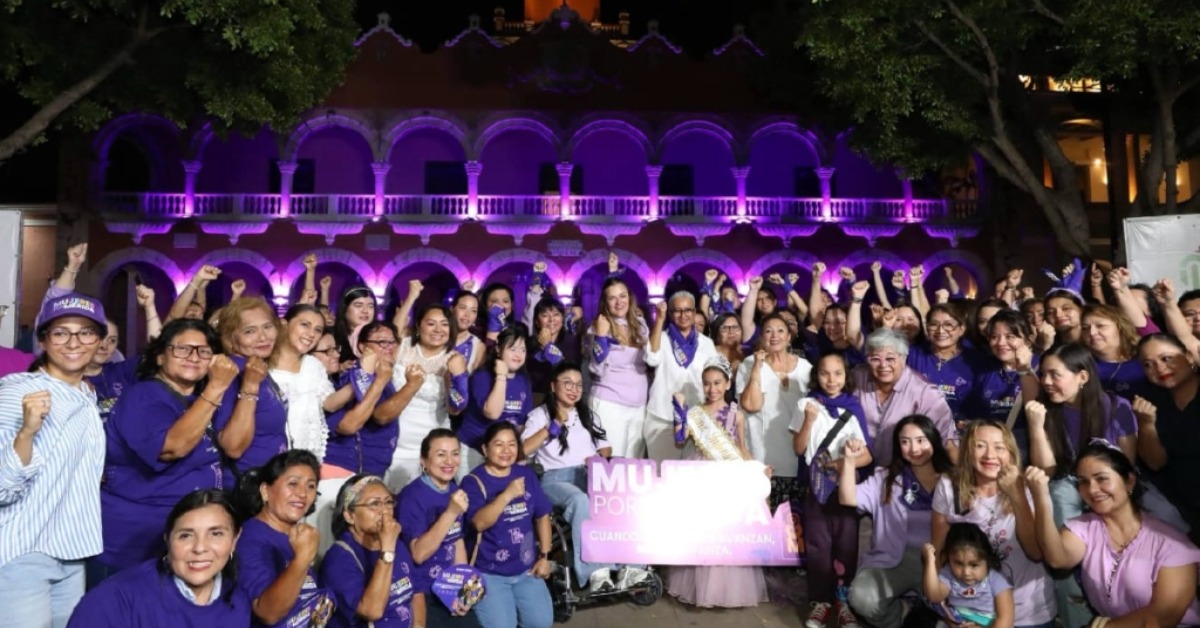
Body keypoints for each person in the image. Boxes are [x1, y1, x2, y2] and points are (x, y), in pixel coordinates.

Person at [0, 293, 108, 627]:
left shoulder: (88, 395)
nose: (74, 342)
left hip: (71, 553)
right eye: (61, 332)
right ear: (44, 340)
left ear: (100, 341)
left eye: (86, 332)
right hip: (22, 551)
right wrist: (27, 432)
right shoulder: (17, 391)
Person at [98, 319, 238, 574]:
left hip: (185, 532)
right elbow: (171, 448)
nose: (194, 357)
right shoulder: (144, 396)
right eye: (182, 349)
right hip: (140, 538)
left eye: (203, 351)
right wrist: (217, 386)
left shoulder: (194, 399)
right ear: (160, 357)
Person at [1029, 444, 1200, 627]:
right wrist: (1041, 499)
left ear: (1129, 481)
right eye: (1083, 482)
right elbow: (1058, 558)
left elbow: (1162, 616)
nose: (1092, 489)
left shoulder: (1173, 545)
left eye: (1101, 478)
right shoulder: (1085, 527)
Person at [522, 361, 651, 593]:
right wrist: (550, 429)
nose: (573, 389)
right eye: (567, 383)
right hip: (554, 479)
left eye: (578, 385)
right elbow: (523, 450)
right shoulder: (539, 415)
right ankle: (596, 572)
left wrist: (598, 458)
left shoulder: (587, 415)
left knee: (620, 497)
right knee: (581, 501)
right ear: (553, 386)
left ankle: (631, 567)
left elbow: (606, 448)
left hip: (588, 474)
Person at [931, 421, 1056, 628]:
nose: (990, 455)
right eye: (980, 446)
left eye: (999, 447)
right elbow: (937, 552)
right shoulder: (949, 486)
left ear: (1011, 453)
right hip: (969, 611)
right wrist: (948, 613)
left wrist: (1016, 495)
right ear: (967, 452)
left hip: (1027, 612)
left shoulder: (1031, 487)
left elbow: (1035, 551)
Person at [67, 490, 251, 627]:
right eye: (186, 535)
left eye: (216, 534)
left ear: (235, 540)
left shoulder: (237, 602)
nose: (200, 548)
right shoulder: (113, 600)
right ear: (168, 540)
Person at [670, 357, 768, 608]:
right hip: (701, 474)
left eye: (717, 383)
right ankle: (700, 588)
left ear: (727, 384)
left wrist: (758, 470)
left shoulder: (737, 414)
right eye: (706, 384)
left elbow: (742, 449)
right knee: (703, 530)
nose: (711, 389)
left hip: (728, 477)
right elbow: (680, 440)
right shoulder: (694, 414)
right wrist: (679, 411)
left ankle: (725, 590)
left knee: (726, 531)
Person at [841, 415, 955, 628]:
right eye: (905, 442)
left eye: (921, 440)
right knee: (862, 597)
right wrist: (849, 461)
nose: (914, 448)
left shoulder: (953, 479)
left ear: (933, 441)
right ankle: (900, 620)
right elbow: (848, 498)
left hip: (943, 562)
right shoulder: (887, 478)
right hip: (895, 560)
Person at [792, 352, 871, 628]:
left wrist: (845, 462)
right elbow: (799, 449)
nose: (831, 379)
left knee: (847, 545)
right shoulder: (806, 404)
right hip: (815, 487)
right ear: (817, 375)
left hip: (845, 487)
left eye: (838, 373)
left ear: (846, 376)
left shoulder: (854, 407)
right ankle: (820, 601)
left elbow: (867, 456)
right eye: (825, 373)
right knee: (817, 545)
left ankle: (843, 600)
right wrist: (809, 421)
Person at [461, 422, 553, 628]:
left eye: (512, 445)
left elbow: (542, 514)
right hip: (487, 574)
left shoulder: (526, 474)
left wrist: (545, 556)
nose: (506, 451)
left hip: (525, 569)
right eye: (499, 445)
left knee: (542, 622)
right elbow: (478, 523)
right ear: (485, 449)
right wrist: (507, 495)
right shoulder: (473, 481)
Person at [236, 450, 334, 627]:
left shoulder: (298, 535)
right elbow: (268, 613)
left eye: (311, 486)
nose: (303, 493)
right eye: (293, 483)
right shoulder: (251, 538)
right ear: (265, 491)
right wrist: (302, 559)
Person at [395, 429, 483, 628]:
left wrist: (462, 586)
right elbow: (418, 554)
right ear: (424, 461)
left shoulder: (454, 489)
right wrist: (450, 512)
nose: (449, 461)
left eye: (455, 453)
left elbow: (457, 540)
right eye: (441, 454)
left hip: (448, 588)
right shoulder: (412, 497)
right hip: (422, 590)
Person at [321, 475, 424, 628]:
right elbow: (372, 611)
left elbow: (416, 592)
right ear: (350, 516)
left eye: (388, 502)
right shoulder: (339, 559)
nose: (384, 511)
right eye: (374, 504)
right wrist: (387, 548)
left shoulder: (397, 543)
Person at [739, 312, 814, 521]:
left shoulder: (807, 369)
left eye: (780, 331)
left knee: (792, 526)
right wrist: (757, 367)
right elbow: (751, 405)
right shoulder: (748, 364)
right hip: (761, 456)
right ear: (761, 337)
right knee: (761, 522)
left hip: (795, 457)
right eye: (768, 331)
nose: (775, 336)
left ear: (789, 336)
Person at [388, 305, 468, 492]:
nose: (438, 330)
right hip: (395, 438)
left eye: (444, 325)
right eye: (431, 324)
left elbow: (456, 408)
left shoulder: (454, 359)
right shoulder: (402, 348)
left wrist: (458, 377)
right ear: (418, 326)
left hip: (433, 439)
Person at [852, 328, 958, 467]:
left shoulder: (925, 393)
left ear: (903, 358)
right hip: (857, 467)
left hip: (903, 474)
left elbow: (946, 442)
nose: (883, 365)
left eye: (890, 359)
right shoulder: (857, 377)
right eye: (875, 359)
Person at [1132, 333, 1200, 536]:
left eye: (1166, 358)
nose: (1160, 368)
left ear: (1188, 356)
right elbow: (1155, 462)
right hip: (1186, 504)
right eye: (1148, 364)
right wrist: (1146, 424)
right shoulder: (1148, 401)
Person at [213, 297, 286, 473]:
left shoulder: (256, 366)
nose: (263, 337)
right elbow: (233, 446)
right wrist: (250, 386)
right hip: (246, 486)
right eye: (249, 331)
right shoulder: (233, 372)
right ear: (230, 339)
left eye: (267, 327)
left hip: (270, 479)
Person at [644, 292, 718, 463]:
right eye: (677, 311)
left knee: (691, 477)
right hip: (663, 418)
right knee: (662, 476)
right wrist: (659, 320)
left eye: (687, 310)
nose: (683, 315)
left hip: (696, 419)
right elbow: (651, 359)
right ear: (670, 313)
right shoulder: (661, 337)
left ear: (694, 312)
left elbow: (715, 376)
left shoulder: (706, 343)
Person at [585, 276, 651, 458]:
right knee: (612, 464)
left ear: (629, 298)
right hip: (609, 403)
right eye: (612, 298)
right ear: (605, 302)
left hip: (639, 405)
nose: (618, 302)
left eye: (622, 296)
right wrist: (600, 336)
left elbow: (651, 359)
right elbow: (596, 369)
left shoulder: (641, 325)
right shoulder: (598, 327)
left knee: (634, 464)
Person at [270, 304, 344, 460]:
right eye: (305, 325)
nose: (311, 334)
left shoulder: (312, 365)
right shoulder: (262, 366)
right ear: (284, 324)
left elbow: (329, 402)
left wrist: (363, 377)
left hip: (304, 457)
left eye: (318, 330)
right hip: (270, 456)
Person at [458, 325, 533, 465]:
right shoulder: (482, 376)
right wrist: (501, 376)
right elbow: (492, 413)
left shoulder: (523, 380)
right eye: (513, 349)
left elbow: (522, 422)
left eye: (523, 350)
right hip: (474, 449)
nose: (519, 355)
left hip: (503, 452)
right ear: (498, 350)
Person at [906, 304, 984, 432]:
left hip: (960, 433)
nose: (941, 331)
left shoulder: (975, 361)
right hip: (919, 431)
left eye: (949, 325)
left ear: (962, 329)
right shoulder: (913, 354)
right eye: (934, 324)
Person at [921, 523, 1015, 628]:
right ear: (949, 559)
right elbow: (934, 596)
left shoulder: (997, 581)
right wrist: (930, 561)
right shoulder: (949, 575)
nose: (966, 572)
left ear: (987, 560)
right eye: (958, 563)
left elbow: (1005, 620)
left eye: (974, 565)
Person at [1081, 304, 1148, 401]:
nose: (1092, 332)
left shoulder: (1143, 359)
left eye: (1100, 326)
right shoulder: (1081, 365)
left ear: (1120, 327)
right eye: (1085, 328)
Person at [334, 286, 379, 363]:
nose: (365, 311)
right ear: (344, 309)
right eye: (358, 305)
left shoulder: (380, 336)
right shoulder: (333, 337)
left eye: (370, 306)